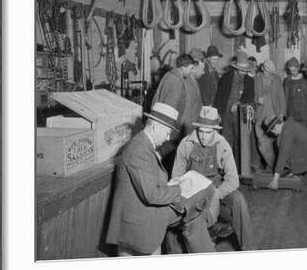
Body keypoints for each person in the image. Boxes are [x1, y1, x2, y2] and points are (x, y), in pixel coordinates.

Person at [106, 103, 215, 256]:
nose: (168, 138)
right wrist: (180, 188)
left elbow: (149, 181)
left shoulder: (143, 144)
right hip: (140, 217)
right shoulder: (139, 150)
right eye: (167, 132)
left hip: (144, 209)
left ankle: (197, 254)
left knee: (192, 212)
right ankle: (206, 256)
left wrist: (171, 184)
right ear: (156, 127)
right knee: (194, 207)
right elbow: (151, 195)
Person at [169, 106, 256, 251]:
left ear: (215, 130)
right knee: (178, 217)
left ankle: (250, 249)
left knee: (239, 200)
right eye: (201, 131)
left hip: (215, 188)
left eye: (208, 133)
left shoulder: (222, 145)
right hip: (192, 191)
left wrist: (215, 194)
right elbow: (176, 177)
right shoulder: (186, 144)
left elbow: (233, 180)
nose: (203, 136)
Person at [151, 53, 202, 166]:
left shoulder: (168, 75)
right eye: (190, 68)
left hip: (161, 123)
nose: (191, 72)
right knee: (171, 157)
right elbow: (171, 107)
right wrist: (174, 128)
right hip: (172, 127)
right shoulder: (178, 82)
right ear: (183, 67)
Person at [214, 51, 256, 160]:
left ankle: (238, 167)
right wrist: (217, 113)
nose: (243, 72)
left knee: (240, 141)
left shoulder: (250, 80)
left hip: (240, 116)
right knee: (226, 140)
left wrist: (239, 103)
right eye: (241, 70)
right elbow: (219, 96)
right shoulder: (226, 77)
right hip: (226, 114)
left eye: (245, 70)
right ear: (236, 67)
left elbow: (250, 97)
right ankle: (226, 166)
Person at [253, 59, 287, 172]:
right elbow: (250, 96)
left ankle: (275, 167)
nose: (269, 74)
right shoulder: (256, 78)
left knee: (276, 142)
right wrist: (257, 100)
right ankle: (273, 166)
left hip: (274, 115)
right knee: (261, 143)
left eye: (271, 72)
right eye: (267, 71)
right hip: (260, 115)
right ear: (262, 68)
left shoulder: (277, 79)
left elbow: (282, 97)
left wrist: (282, 113)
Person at [265, 116, 307, 190]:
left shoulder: (287, 131)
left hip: (305, 161)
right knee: (279, 140)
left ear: (279, 124)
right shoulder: (289, 125)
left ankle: (298, 171)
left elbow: (283, 154)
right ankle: (297, 170)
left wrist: (275, 180)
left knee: (280, 143)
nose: (274, 133)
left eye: (274, 130)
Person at [283, 57, 307, 129]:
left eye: (295, 70)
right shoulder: (287, 82)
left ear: (298, 68)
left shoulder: (305, 82)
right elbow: (285, 99)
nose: (293, 72)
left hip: (303, 115)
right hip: (291, 114)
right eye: (291, 70)